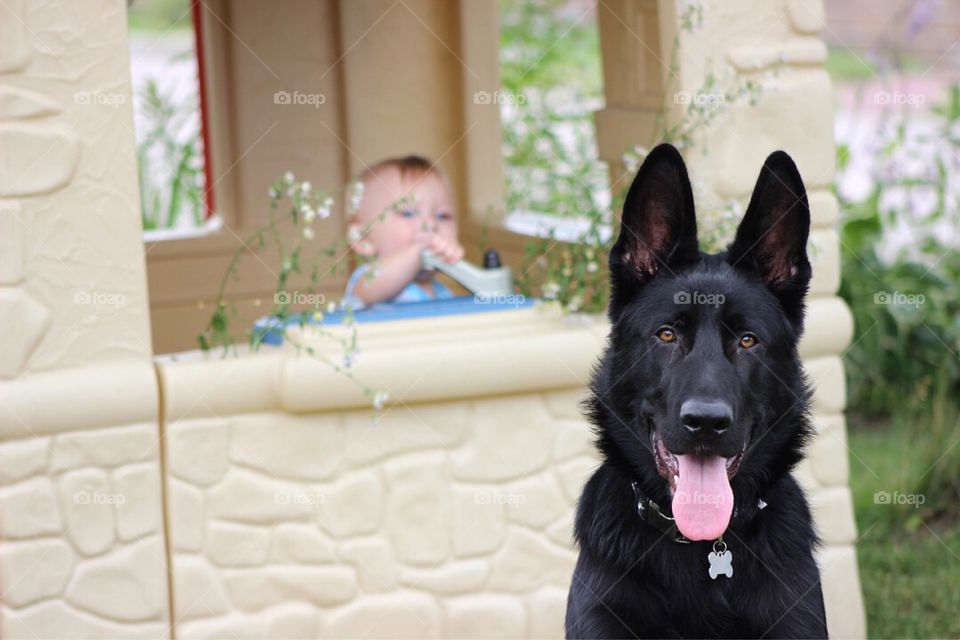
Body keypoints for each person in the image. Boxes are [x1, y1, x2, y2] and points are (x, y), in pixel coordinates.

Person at [343, 155, 465, 309]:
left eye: (443, 216)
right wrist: (418, 252)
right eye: (407, 213)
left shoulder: (443, 293)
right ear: (362, 238)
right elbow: (368, 291)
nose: (430, 224)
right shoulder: (367, 281)